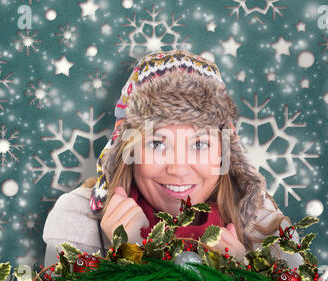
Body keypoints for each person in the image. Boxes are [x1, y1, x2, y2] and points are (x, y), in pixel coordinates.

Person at [42, 50, 303, 269]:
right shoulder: (78, 217)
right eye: (157, 143)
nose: (178, 169)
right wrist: (126, 254)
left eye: (200, 144)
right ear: (127, 150)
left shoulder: (261, 221)